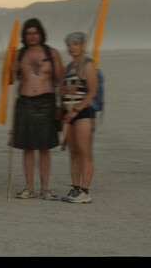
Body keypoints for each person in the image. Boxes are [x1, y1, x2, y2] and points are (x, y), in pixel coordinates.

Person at [9, 18, 64, 200]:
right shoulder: (18, 54)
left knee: (45, 148)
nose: (32, 36)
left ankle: (45, 188)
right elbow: (8, 82)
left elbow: (60, 81)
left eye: (35, 33)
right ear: (24, 36)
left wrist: (61, 106)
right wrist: (11, 70)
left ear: (41, 34)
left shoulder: (52, 53)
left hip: (46, 102)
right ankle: (29, 187)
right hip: (25, 102)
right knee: (28, 147)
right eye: (28, 33)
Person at [61, 32, 98, 204]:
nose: (72, 47)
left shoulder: (87, 64)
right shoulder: (69, 67)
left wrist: (76, 110)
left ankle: (85, 190)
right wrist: (67, 91)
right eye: (69, 45)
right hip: (69, 114)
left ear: (83, 45)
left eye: (75, 44)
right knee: (73, 152)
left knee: (85, 152)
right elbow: (63, 90)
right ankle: (75, 187)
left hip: (82, 113)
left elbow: (91, 92)